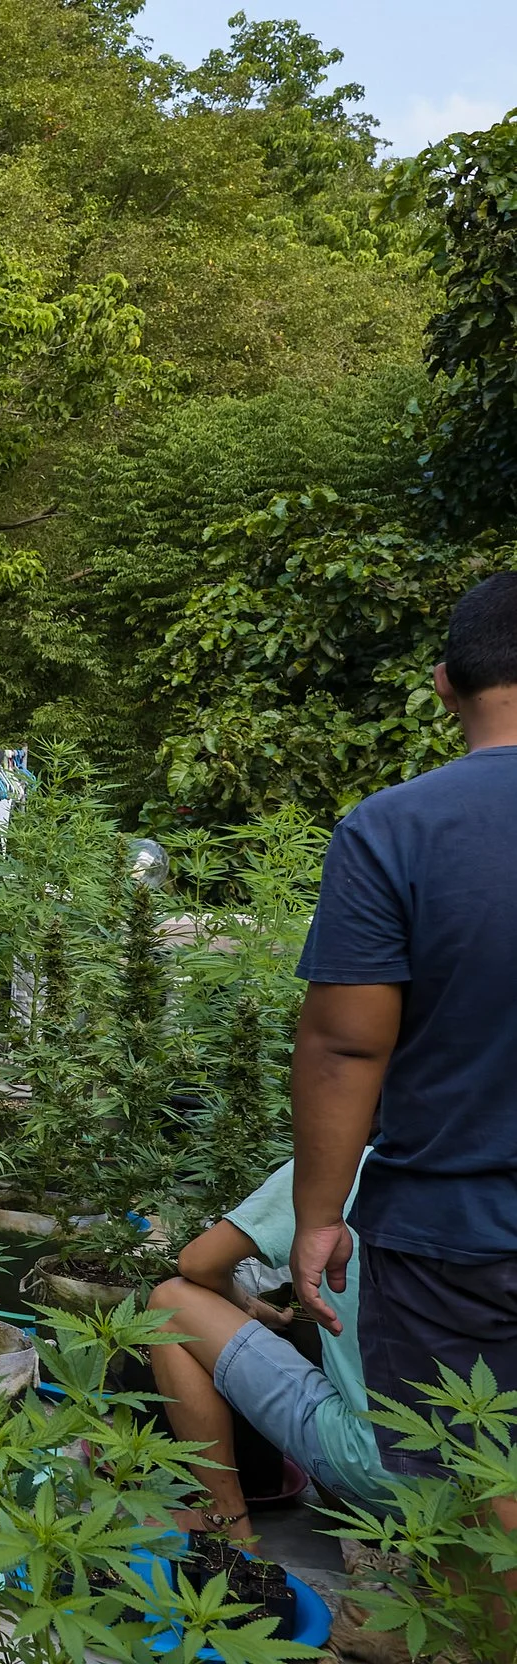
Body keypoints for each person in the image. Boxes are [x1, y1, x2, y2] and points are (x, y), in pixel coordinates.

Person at [291, 572, 517, 1503]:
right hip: (449, 1233)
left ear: (443, 685)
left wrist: (316, 1217)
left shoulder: (396, 831)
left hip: (451, 1237)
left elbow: (347, 1047)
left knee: (468, 1490)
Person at [148, 1154, 391, 1543]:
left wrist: (245, 1303)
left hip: (375, 1463)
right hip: (481, 1492)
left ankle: (225, 1516)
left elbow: (199, 1262)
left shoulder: (346, 1166)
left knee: (171, 1303)